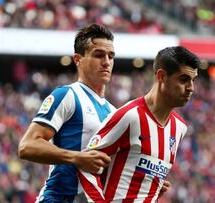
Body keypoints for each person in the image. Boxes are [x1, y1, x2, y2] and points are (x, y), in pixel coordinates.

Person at [78, 46, 201, 202]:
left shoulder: (180, 127)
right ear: (162, 76)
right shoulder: (130, 116)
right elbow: (85, 165)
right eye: (184, 79)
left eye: (193, 80)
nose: (191, 88)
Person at [18, 23, 116, 203]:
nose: (107, 62)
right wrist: (77, 158)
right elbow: (27, 146)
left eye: (111, 56)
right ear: (78, 59)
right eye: (98, 55)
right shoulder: (67, 95)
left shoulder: (114, 112)